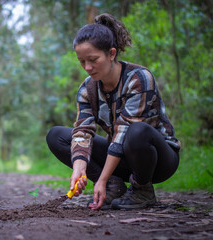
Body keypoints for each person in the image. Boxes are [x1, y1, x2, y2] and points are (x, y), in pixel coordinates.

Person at [46, 13, 180, 210]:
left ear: (111, 53)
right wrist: (79, 166)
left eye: (93, 59)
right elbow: (83, 131)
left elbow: (124, 132)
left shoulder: (139, 78)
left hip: (156, 160)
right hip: (120, 157)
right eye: (81, 61)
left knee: (137, 131)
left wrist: (101, 178)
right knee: (57, 136)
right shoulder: (87, 89)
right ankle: (113, 187)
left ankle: (142, 190)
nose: (87, 68)